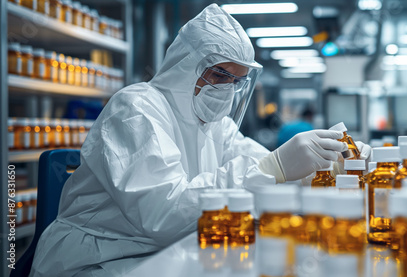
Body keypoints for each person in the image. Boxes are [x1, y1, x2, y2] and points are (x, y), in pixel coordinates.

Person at [29, 4, 371, 276]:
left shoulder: (214, 124)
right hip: (100, 260)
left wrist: (323, 163)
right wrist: (275, 167)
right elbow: (162, 214)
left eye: (236, 80)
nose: (227, 88)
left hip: (164, 252)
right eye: (219, 74)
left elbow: (262, 165)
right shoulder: (136, 109)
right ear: (186, 64)